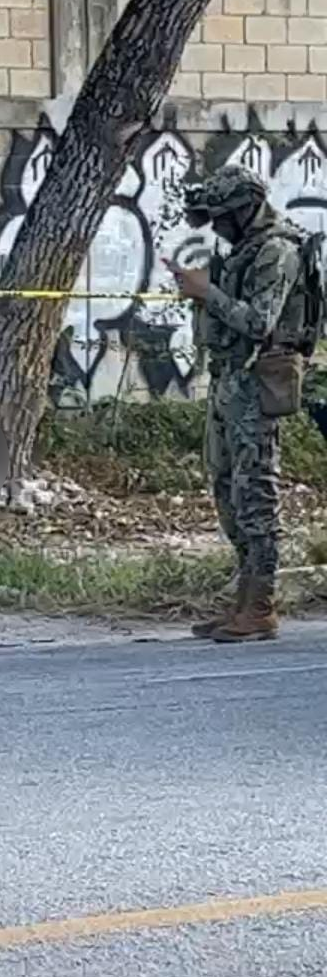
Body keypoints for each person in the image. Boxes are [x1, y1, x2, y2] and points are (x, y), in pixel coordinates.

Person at [167, 164, 314, 643]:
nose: (219, 227)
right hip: (231, 380)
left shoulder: (277, 250)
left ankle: (261, 605)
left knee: (256, 492)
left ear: (247, 209)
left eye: (225, 217)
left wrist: (205, 292)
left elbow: (260, 322)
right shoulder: (246, 249)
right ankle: (244, 600)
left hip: (259, 382)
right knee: (228, 490)